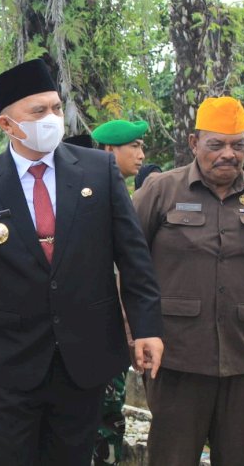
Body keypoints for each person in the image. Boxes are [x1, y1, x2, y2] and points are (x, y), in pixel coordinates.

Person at [0, 58, 164, 465]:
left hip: (83, 357)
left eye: (56, 108)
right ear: (7, 125)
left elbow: (133, 257)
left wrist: (146, 326)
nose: (52, 118)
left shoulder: (99, 172)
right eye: (38, 111)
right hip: (12, 364)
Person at [133, 96, 244, 466]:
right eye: (215, 144)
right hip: (176, 357)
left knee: (241, 458)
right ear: (193, 143)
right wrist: (133, 328)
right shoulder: (160, 191)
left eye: (238, 145)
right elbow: (128, 263)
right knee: (171, 457)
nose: (228, 154)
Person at [88, 118, 150, 465]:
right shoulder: (92, 196)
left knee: (110, 421)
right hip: (94, 333)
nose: (140, 154)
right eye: (134, 146)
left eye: (141, 146)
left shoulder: (119, 193)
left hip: (113, 332)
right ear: (110, 150)